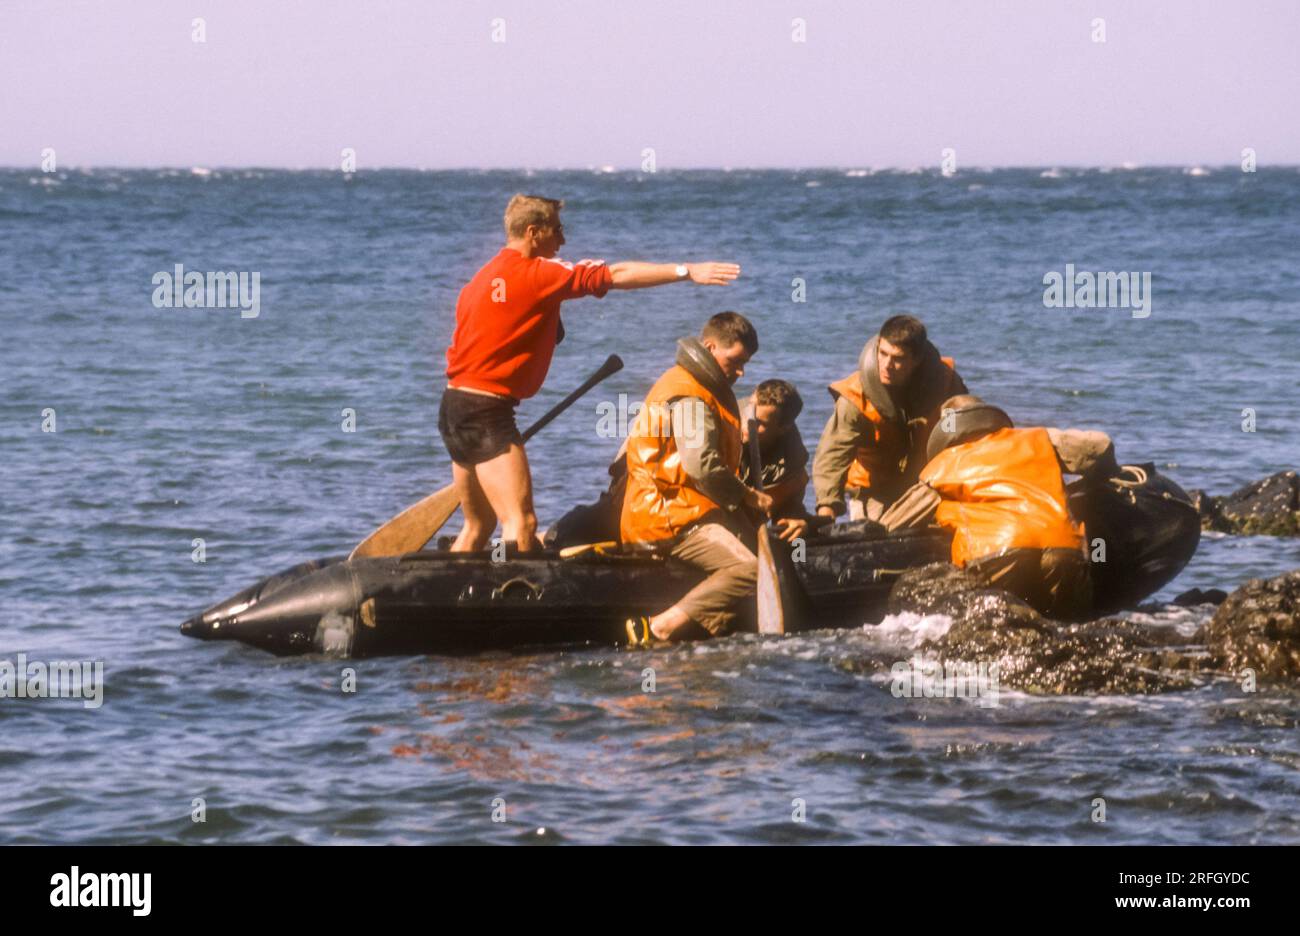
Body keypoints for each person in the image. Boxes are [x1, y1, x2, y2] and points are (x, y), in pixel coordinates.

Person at [440, 194, 740, 555]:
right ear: (533, 233)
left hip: (453, 408)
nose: (563, 241)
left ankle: (447, 600)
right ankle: (517, 607)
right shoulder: (537, 273)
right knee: (521, 523)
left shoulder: (480, 279)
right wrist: (686, 271)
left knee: (477, 525)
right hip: (487, 414)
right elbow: (615, 275)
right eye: (557, 231)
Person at [882, 395, 1120, 619]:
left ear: (946, 434)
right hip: (1063, 549)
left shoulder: (941, 466)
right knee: (1072, 625)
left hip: (997, 554)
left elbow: (892, 525)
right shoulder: (1039, 438)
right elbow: (1099, 446)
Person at [621, 313, 771, 643]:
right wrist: (748, 496)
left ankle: (706, 631)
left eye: (746, 363)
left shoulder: (681, 381)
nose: (741, 372)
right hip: (667, 517)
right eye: (735, 361)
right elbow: (700, 464)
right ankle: (661, 625)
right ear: (709, 347)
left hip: (682, 509)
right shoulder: (690, 395)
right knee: (750, 570)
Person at [812, 315, 966, 523]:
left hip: (925, 488)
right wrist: (827, 507)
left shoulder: (946, 385)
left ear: (917, 360)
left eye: (898, 358)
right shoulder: (855, 398)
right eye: (882, 354)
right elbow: (832, 455)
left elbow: (955, 435)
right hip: (872, 493)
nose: (886, 365)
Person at [737, 379, 814, 542]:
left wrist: (796, 520)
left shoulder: (793, 459)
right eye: (748, 414)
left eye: (760, 423)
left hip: (757, 523)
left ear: (782, 429)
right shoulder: (724, 422)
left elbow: (790, 503)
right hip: (712, 518)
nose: (747, 425)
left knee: (799, 544)